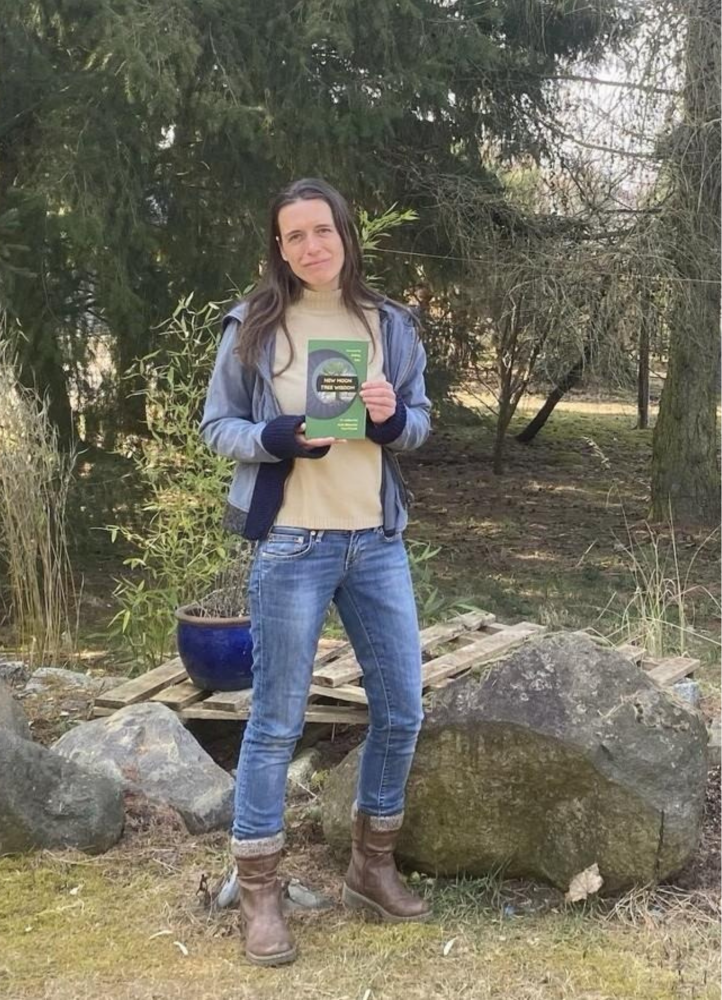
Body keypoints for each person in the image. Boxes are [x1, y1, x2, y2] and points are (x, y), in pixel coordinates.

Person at [200, 177, 431, 966]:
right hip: (292, 544)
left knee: (401, 711)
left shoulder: (390, 324)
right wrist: (276, 436)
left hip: (376, 544)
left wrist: (392, 420)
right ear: (279, 246)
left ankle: (372, 866)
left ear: (345, 234)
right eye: (293, 236)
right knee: (275, 724)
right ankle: (260, 894)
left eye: (321, 231)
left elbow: (420, 424)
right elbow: (217, 428)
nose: (310, 246)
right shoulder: (252, 327)